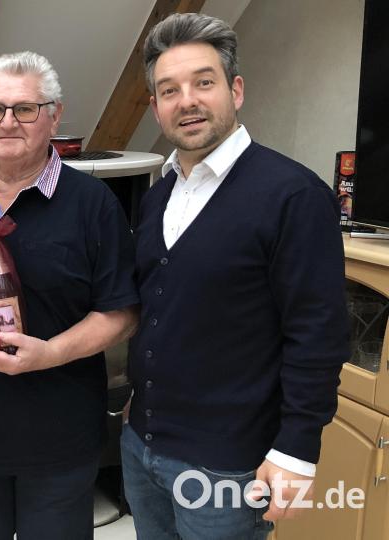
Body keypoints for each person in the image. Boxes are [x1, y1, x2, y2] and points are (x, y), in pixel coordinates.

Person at [122, 12, 349, 539]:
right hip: (143, 446)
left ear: (236, 89)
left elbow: (317, 332)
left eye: (204, 82)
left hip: (228, 464)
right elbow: (160, 311)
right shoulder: (158, 197)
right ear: (156, 107)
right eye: (169, 90)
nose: (188, 101)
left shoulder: (292, 197)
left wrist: (297, 448)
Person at [0, 51, 139, 540]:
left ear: (54, 115)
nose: (7, 121)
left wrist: (51, 353)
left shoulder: (93, 204)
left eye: (26, 109)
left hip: (59, 437)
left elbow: (121, 312)